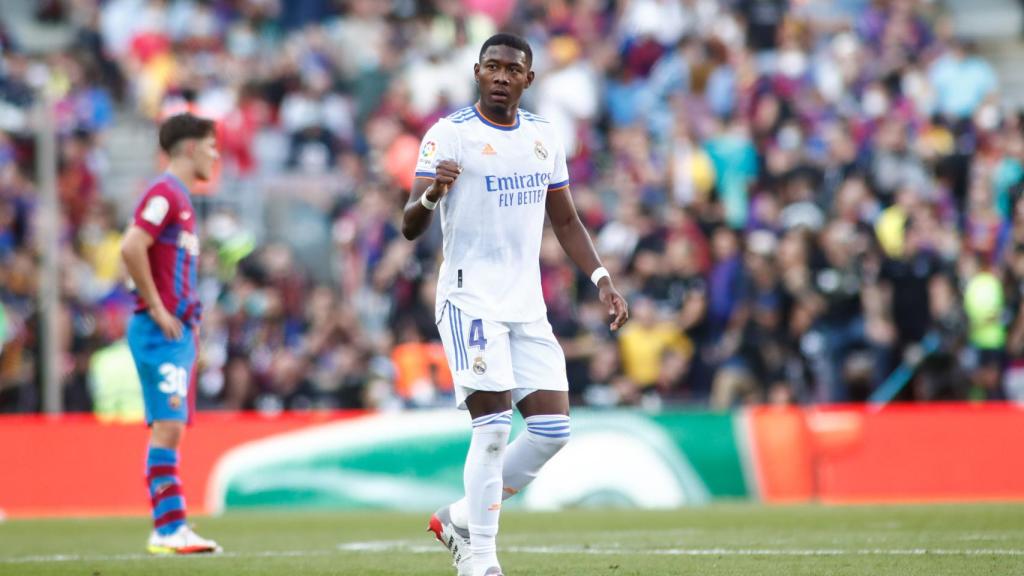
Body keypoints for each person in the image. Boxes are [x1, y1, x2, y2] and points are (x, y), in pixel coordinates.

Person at [402, 33, 629, 576]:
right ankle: (480, 559)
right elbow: (409, 223)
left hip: (525, 303)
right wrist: (433, 194)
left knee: (552, 431)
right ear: (477, 72)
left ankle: (460, 516)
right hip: (469, 299)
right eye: (493, 67)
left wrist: (601, 278)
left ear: (530, 79)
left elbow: (567, 220)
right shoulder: (448, 135)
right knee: (496, 427)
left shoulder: (544, 136)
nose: (502, 76)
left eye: (513, 69)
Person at [120, 113, 221, 554]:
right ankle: (167, 529)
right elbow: (130, 245)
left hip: (178, 333)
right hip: (160, 330)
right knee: (168, 427)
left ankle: (173, 526)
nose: (216, 154)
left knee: (172, 427)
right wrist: (158, 307)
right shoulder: (164, 194)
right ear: (188, 148)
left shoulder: (180, 197)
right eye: (211, 145)